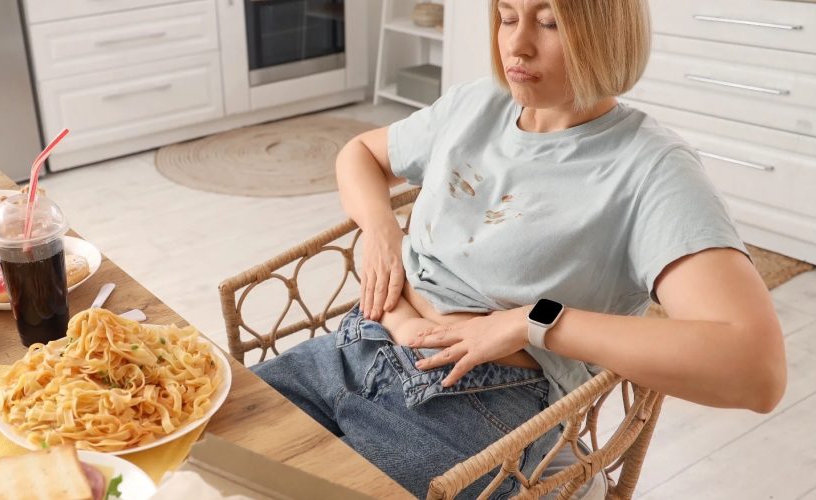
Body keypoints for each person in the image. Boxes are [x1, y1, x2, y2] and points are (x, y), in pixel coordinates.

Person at [252, 0, 787, 497]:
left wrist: (533, 321)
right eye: (508, 16)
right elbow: (359, 154)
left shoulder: (651, 169)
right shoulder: (475, 104)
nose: (517, 45)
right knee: (210, 443)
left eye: (549, 22)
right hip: (357, 342)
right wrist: (380, 231)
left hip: (471, 399)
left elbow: (755, 370)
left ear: (605, 32)